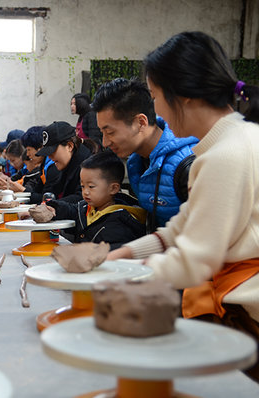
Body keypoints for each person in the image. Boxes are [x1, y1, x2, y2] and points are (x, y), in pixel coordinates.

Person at [107, 31, 259, 381]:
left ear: (185, 95)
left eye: (156, 97)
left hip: (249, 311)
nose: (156, 110)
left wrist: (118, 280)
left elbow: (194, 261)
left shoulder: (227, 154)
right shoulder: (230, 142)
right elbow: (179, 230)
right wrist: (121, 256)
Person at [93, 78, 198, 231]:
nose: (105, 143)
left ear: (141, 122)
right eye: (102, 133)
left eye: (110, 132)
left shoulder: (188, 165)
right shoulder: (136, 162)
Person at [44, 151, 145, 249]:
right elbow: (71, 210)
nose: (85, 192)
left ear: (113, 188)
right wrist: (53, 208)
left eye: (91, 186)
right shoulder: (87, 208)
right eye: (82, 186)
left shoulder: (121, 223)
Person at [35, 121, 95, 203]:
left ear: (70, 146)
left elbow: (80, 199)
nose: (49, 157)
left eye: (53, 151)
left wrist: (51, 206)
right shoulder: (66, 166)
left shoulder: (89, 167)